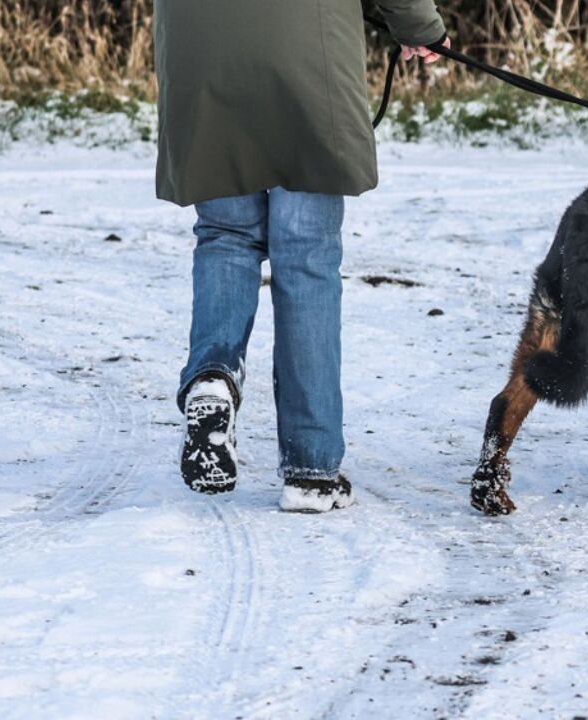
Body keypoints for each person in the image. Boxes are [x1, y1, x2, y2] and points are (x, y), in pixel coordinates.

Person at [154, 0, 450, 512]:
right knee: (306, 257)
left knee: (226, 234)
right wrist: (419, 27)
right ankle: (311, 470)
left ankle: (212, 377)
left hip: (199, 51)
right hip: (306, 57)